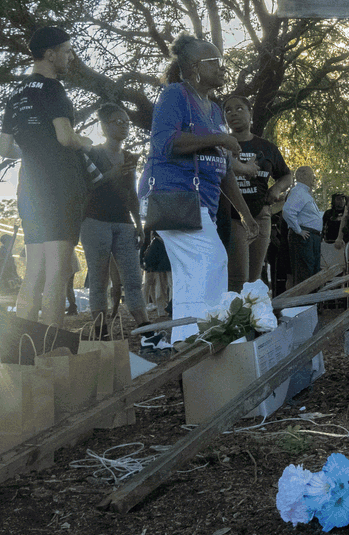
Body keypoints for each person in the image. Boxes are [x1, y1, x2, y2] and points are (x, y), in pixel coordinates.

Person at [141, 36, 256, 346]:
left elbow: (224, 171)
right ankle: (199, 339)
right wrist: (217, 140)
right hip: (172, 196)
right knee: (212, 260)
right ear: (193, 69)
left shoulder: (216, 110)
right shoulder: (175, 95)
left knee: (196, 274)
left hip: (199, 204)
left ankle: (189, 341)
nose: (222, 68)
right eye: (214, 62)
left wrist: (246, 216)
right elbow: (167, 142)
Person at [0, 26, 92, 327]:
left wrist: (33, 152)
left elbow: (4, 148)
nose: (70, 56)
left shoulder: (15, 94)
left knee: (34, 271)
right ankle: (52, 348)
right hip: (59, 185)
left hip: (29, 187)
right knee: (58, 272)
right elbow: (65, 137)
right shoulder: (53, 89)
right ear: (50, 54)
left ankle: (22, 350)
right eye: (66, 50)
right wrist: (90, 143)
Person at [79, 103, 147, 329]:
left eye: (127, 122)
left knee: (134, 279)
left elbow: (132, 192)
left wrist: (139, 223)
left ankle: (145, 327)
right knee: (99, 280)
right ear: (104, 126)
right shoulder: (93, 152)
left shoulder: (128, 156)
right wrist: (112, 173)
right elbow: (85, 187)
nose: (125, 126)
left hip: (124, 223)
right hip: (95, 221)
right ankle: (101, 329)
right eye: (119, 122)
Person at [218, 93, 293, 290]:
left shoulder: (266, 147)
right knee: (238, 278)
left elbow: (287, 176)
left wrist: (276, 188)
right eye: (228, 110)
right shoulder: (221, 145)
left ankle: (252, 318)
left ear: (250, 113)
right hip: (233, 218)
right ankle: (235, 318)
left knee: (254, 278)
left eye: (239, 108)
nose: (233, 113)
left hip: (261, 217)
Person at [321, 193, 347, 269]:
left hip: (344, 244)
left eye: (343, 199)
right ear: (333, 201)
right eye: (338, 199)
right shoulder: (328, 213)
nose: (341, 201)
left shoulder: (347, 213)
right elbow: (323, 228)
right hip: (330, 244)